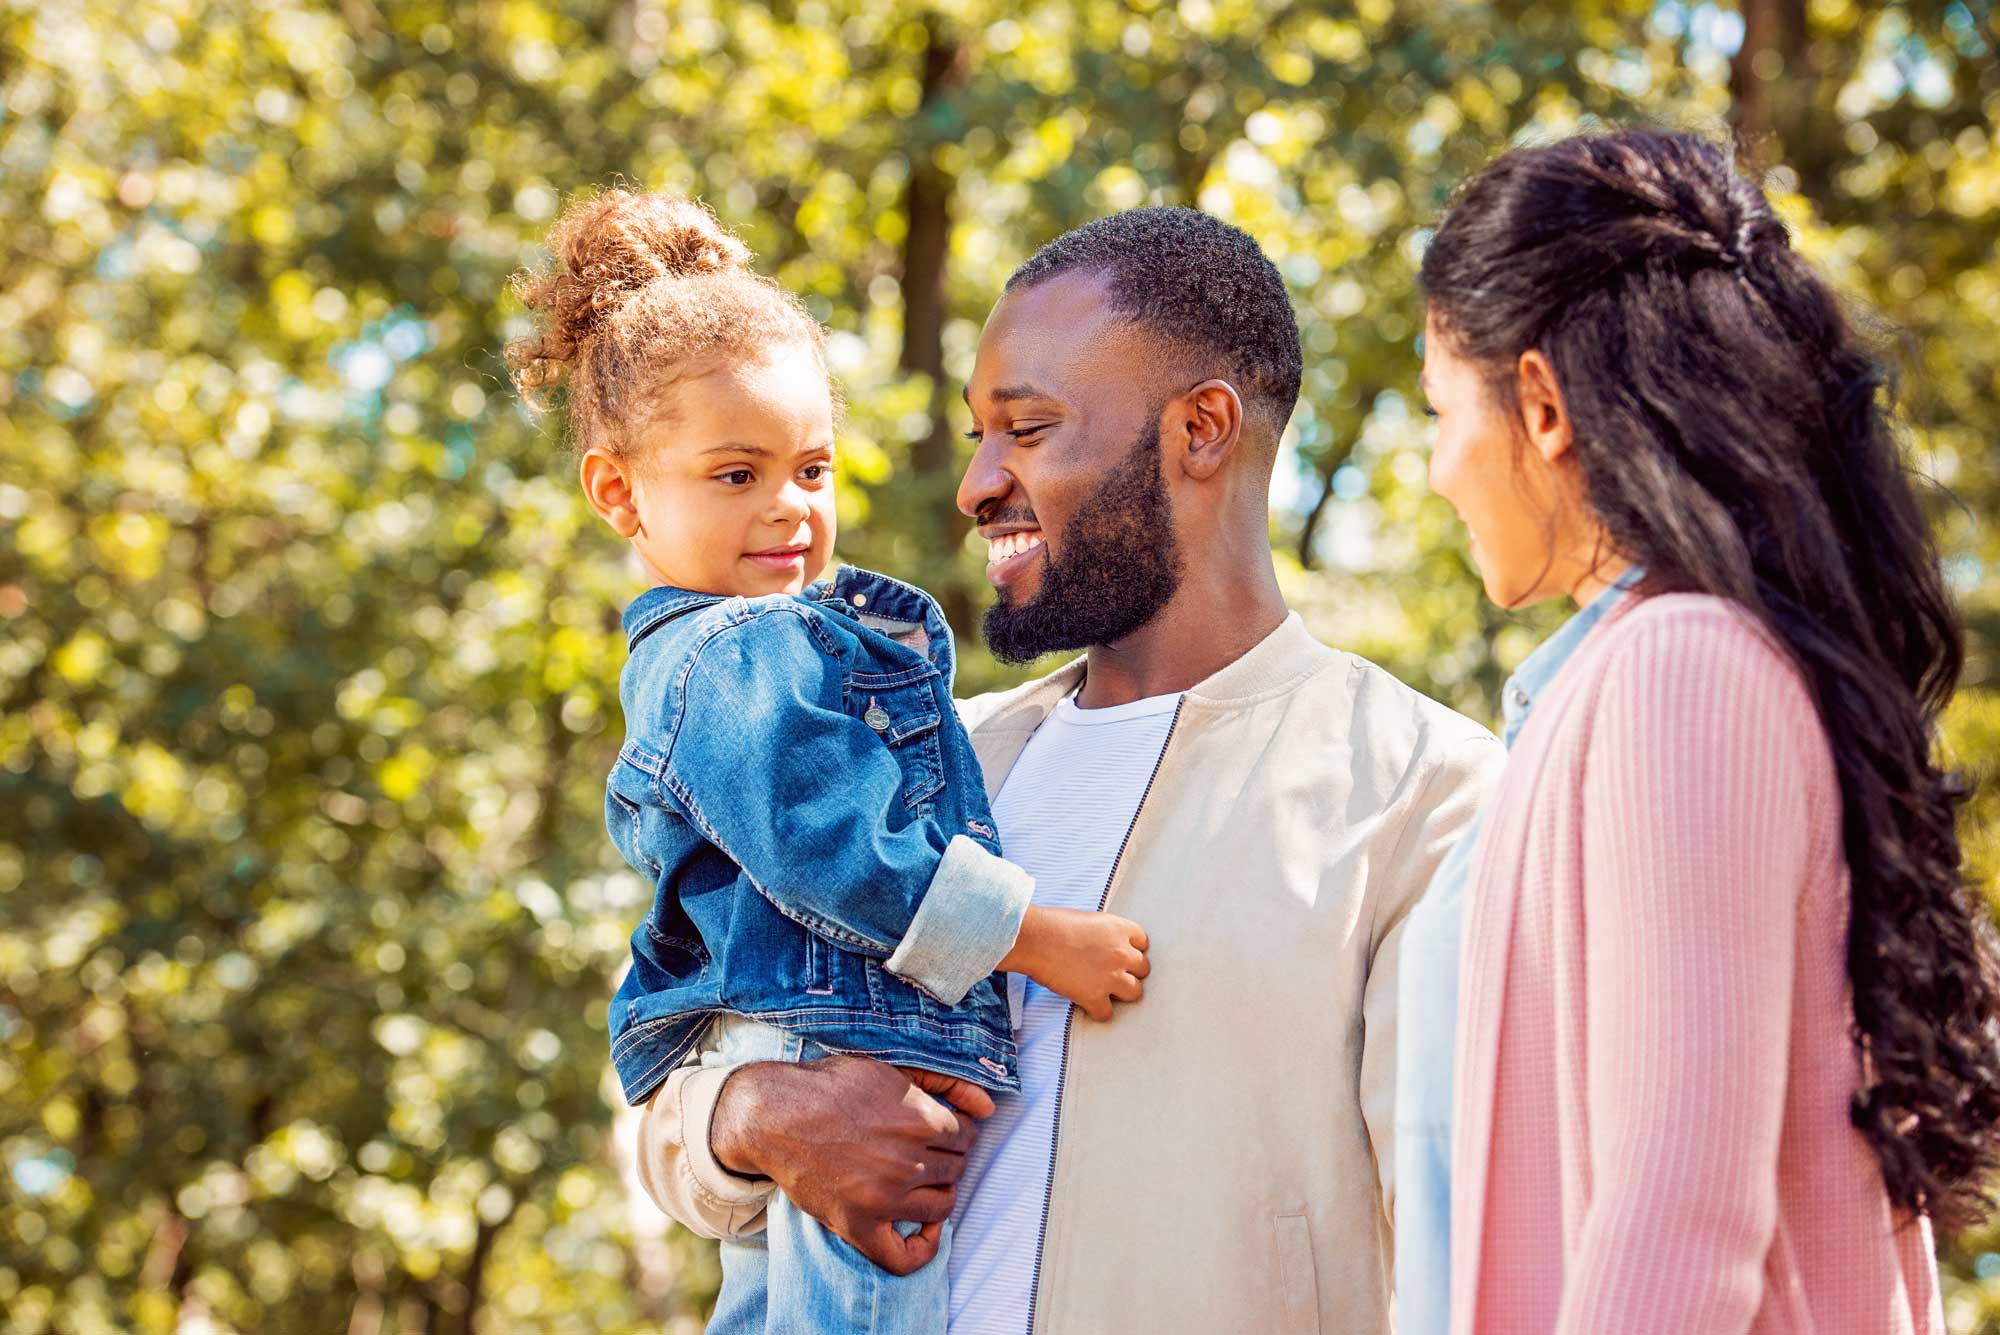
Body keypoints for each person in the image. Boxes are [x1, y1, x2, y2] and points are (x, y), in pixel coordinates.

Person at [634, 205, 1504, 1335]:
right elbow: (679, 1073)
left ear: (1199, 430)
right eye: (975, 439)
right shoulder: (913, 766)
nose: (975, 485)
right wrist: (752, 1119)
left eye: (1026, 430)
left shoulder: (1424, 793)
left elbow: (1462, 1258)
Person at [505, 187, 1153, 1334]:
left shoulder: (742, 650)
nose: (789, 510)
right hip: (825, 1039)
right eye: (734, 474)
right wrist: (1033, 938)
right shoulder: (736, 651)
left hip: (799, 1040)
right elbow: (831, 846)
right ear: (618, 493)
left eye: (811, 469)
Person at [1416, 127, 2000, 1333]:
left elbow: (1675, 1228)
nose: (1431, 469)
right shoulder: (1634, 681)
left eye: (1435, 412)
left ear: (1538, 407)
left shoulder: (1681, 674)